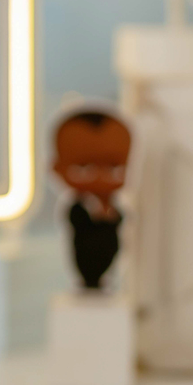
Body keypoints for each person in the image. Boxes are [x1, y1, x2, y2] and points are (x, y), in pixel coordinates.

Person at [51, 109, 131, 291]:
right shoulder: (79, 207)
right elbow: (78, 221)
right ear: (58, 169)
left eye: (113, 167)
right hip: (87, 255)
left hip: (108, 252)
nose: (100, 177)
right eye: (84, 168)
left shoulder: (111, 206)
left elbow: (117, 221)